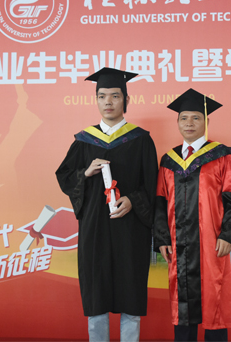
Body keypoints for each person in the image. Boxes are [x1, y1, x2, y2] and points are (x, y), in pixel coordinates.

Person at [56, 67, 158, 342]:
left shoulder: (141, 140)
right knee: (96, 291)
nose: (108, 102)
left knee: (130, 290)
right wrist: (85, 173)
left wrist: (133, 200)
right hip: (95, 228)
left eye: (115, 96)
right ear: (96, 100)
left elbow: (153, 185)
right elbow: (65, 176)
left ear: (126, 100)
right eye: (102, 96)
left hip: (130, 228)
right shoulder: (83, 141)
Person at [154, 88, 231, 342]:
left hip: (211, 242)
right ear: (177, 122)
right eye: (184, 118)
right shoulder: (168, 160)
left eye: (196, 118)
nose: (189, 123)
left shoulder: (223, 155)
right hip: (179, 245)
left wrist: (228, 235)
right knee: (182, 302)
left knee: (213, 299)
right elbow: (160, 202)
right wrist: (162, 238)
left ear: (207, 121)